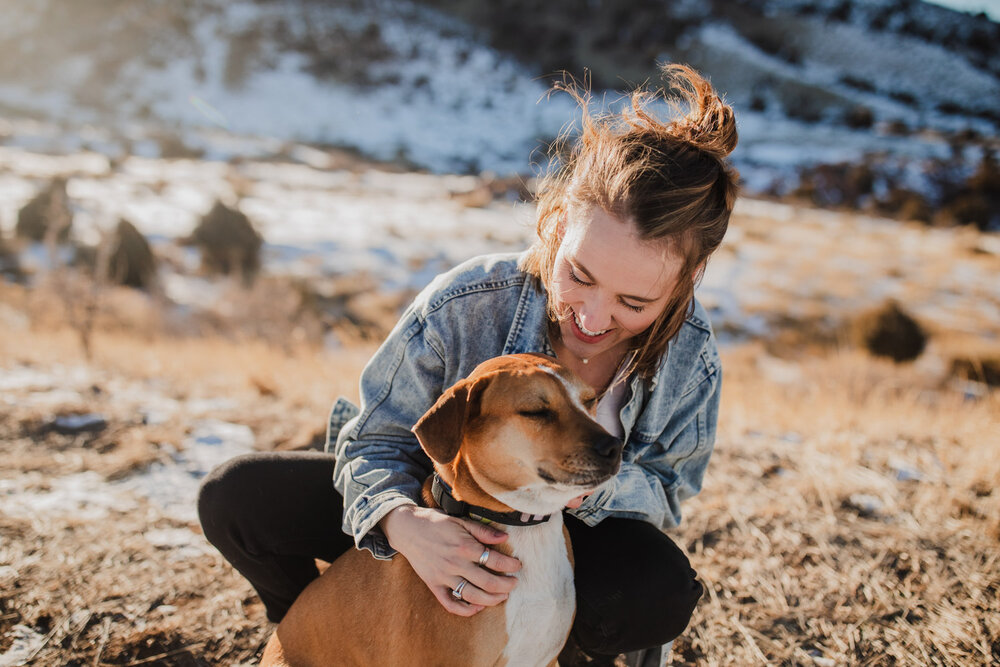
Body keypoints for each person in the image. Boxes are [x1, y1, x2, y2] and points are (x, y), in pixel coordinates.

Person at [198, 63, 738, 666]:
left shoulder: (691, 358)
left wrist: (578, 486)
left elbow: (669, 490)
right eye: (578, 275)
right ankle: (328, 630)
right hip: (429, 505)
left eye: (634, 302)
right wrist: (403, 524)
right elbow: (372, 441)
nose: (590, 317)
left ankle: (560, 650)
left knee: (652, 589)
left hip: (573, 536)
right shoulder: (466, 304)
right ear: (557, 227)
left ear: (687, 282)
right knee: (239, 497)